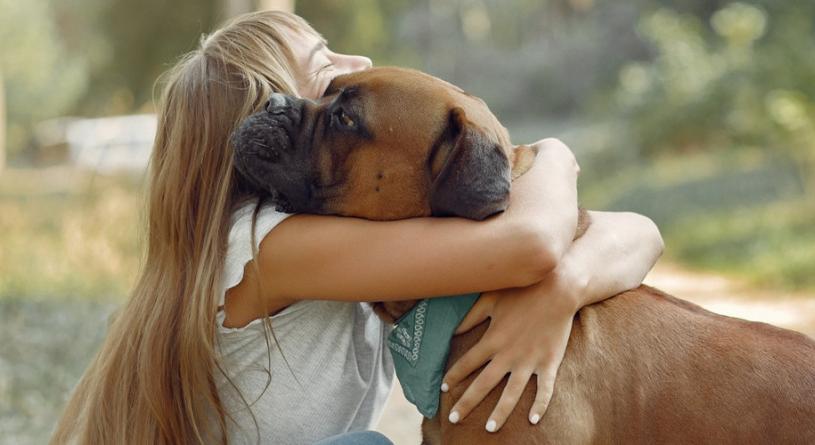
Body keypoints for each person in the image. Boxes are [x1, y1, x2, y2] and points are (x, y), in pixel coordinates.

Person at [51, 10, 663, 445]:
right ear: (268, 119)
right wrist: (554, 154)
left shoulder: (301, 233)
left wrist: (569, 282)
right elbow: (531, 242)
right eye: (326, 82)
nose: (363, 63)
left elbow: (640, 234)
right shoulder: (271, 246)